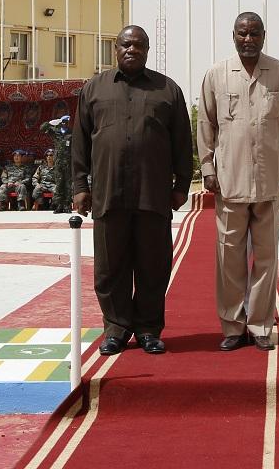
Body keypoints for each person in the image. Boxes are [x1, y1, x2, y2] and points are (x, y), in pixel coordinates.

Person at [72, 25, 192, 356]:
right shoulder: (94, 89)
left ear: (147, 50)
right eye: (126, 44)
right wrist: (80, 186)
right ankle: (116, 329)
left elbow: (183, 141)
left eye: (138, 45)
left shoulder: (167, 90)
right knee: (110, 267)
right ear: (115, 48)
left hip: (152, 194)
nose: (132, 50)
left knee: (153, 265)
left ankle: (149, 330)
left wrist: (182, 185)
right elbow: (80, 142)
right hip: (108, 193)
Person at [198, 12, 279, 352]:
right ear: (233, 36)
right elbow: (206, 124)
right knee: (229, 258)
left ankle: (260, 325)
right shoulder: (216, 74)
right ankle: (232, 325)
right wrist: (207, 167)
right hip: (229, 182)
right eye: (242, 33)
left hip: (270, 181)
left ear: (263, 35)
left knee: (266, 258)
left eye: (254, 33)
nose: (248, 39)